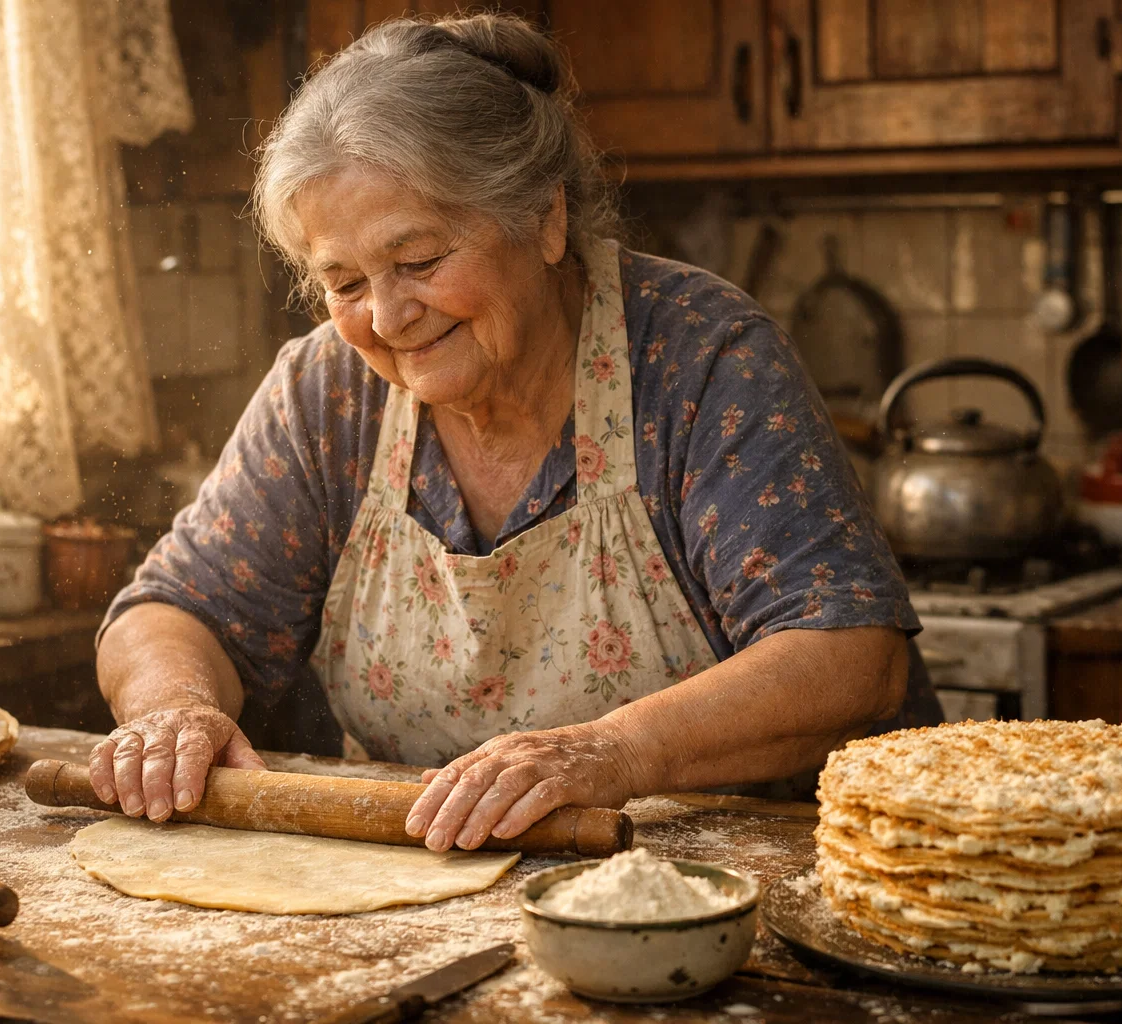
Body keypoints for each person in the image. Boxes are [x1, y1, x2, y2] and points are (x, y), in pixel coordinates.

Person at [92, 12, 940, 854]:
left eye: (420, 261)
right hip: (422, 906)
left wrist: (609, 751)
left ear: (543, 218)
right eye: (345, 282)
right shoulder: (328, 392)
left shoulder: (697, 356)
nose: (387, 317)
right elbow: (172, 610)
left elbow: (849, 656)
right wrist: (175, 707)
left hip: (723, 902)